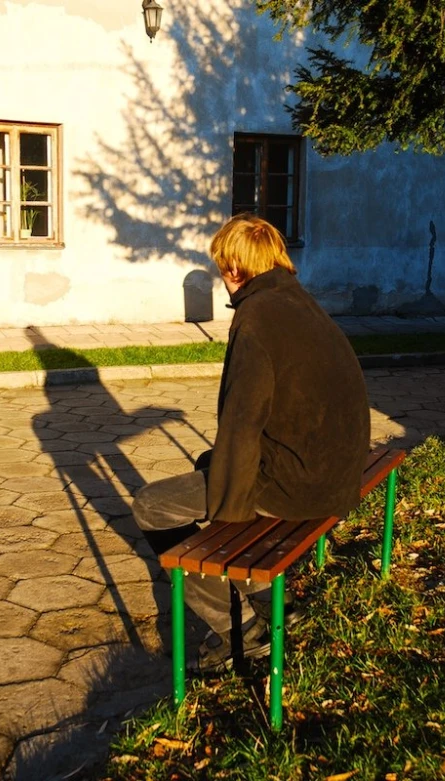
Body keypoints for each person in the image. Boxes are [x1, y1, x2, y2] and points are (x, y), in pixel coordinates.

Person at [132, 213, 370, 670]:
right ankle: (270, 602)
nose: (223, 278)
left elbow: (242, 422)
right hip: (338, 473)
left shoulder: (255, 318)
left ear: (235, 270)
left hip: (300, 486)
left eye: (222, 267)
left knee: (152, 505)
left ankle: (238, 627)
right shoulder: (299, 302)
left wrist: (231, 508)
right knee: (209, 463)